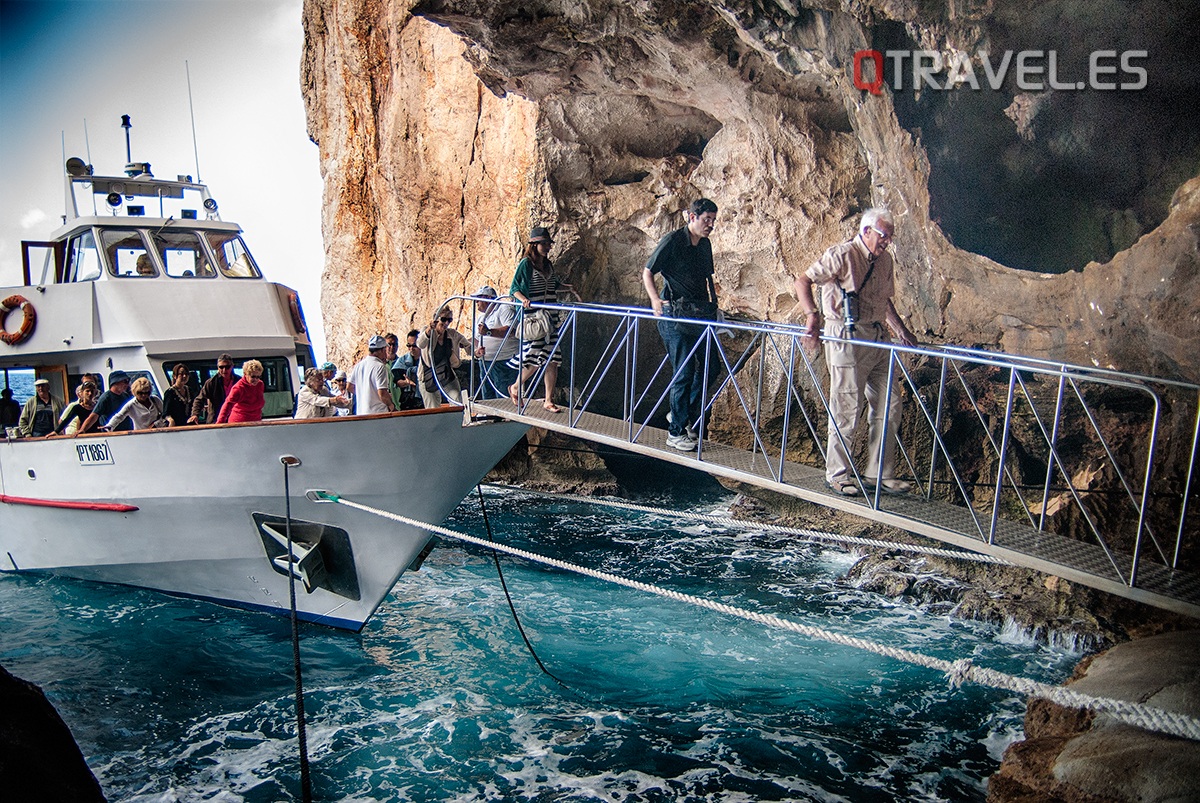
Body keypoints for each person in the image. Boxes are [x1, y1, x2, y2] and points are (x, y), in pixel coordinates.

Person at [793, 207, 917, 497]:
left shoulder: (885, 260)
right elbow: (803, 280)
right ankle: (837, 475)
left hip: (878, 337)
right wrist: (812, 316)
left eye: (890, 238)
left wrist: (901, 331)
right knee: (847, 407)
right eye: (883, 236)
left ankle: (878, 474)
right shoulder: (843, 254)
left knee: (890, 405)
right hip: (846, 337)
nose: (887, 242)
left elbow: (884, 300)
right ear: (866, 231)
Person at [642, 198, 721, 451]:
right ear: (691, 217)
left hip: (699, 314)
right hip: (674, 316)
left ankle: (681, 413)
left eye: (713, 220)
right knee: (684, 371)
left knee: (711, 367)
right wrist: (655, 300)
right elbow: (647, 271)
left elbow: (706, 281)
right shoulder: (673, 241)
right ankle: (675, 432)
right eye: (706, 219)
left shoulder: (704, 245)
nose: (710, 224)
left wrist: (716, 309)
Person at [506, 226, 581, 412]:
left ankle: (548, 400)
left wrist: (567, 287)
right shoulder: (526, 264)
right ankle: (515, 386)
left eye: (548, 244)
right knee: (536, 357)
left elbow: (552, 284)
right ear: (535, 244)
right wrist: (524, 301)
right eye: (544, 244)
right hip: (535, 317)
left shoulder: (547, 264)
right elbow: (514, 288)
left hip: (550, 318)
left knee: (553, 358)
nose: (548, 247)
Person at [470, 286, 518, 400]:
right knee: (488, 397)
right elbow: (477, 339)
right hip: (486, 362)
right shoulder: (481, 317)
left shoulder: (504, 309)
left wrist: (489, 332)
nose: (476, 302)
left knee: (503, 397)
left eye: (479, 298)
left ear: (488, 298)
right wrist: (475, 352)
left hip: (504, 361)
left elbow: (511, 330)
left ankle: (507, 416)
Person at [417, 308, 470, 408]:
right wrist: (429, 330)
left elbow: (467, 345)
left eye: (449, 320)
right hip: (428, 374)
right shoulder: (427, 331)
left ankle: (458, 421)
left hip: (445, 373)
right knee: (432, 408)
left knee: (457, 399)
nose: (446, 323)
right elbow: (420, 344)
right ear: (436, 319)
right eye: (443, 319)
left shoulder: (451, 334)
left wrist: (476, 352)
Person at [348, 335, 395, 415]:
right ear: (381, 350)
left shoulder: (358, 366)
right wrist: (392, 406)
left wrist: (365, 394)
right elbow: (382, 393)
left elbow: (349, 387)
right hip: (378, 413)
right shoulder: (379, 366)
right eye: (385, 350)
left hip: (361, 413)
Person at [105, 377, 171, 430]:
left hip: (158, 432)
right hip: (141, 435)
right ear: (134, 392)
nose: (143, 395)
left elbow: (165, 414)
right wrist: (109, 426)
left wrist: (156, 424)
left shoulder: (155, 400)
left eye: (146, 393)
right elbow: (119, 416)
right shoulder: (131, 405)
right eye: (140, 393)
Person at [189, 353, 236, 424]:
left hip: (234, 419)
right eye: (221, 367)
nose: (224, 370)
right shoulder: (211, 383)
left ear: (232, 366)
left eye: (227, 367)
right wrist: (195, 415)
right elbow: (200, 399)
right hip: (215, 421)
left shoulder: (238, 381)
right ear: (217, 367)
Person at [391, 330, 423, 410]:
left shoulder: (428, 361)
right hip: (407, 401)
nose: (411, 349)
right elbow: (397, 381)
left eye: (414, 345)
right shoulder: (402, 361)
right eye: (409, 346)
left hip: (425, 399)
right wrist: (406, 383)